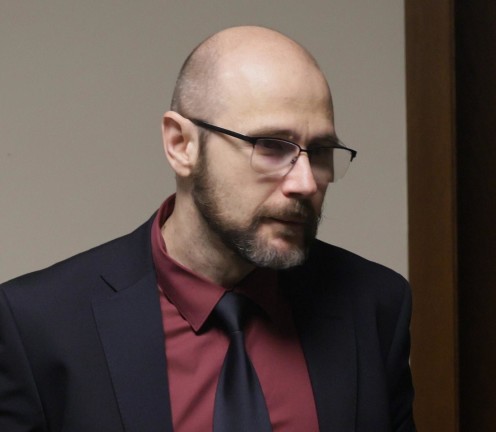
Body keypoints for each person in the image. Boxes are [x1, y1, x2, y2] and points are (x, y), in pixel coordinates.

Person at [0, 26, 415, 432]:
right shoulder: (39, 325)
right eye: (271, 146)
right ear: (181, 145)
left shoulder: (375, 305)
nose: (306, 183)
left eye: (320, 151)